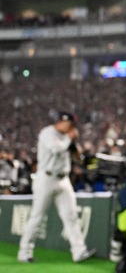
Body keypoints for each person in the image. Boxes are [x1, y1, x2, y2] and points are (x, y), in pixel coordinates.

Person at [17, 111, 96, 264]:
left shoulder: (68, 138)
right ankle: (24, 252)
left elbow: (78, 158)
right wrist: (69, 138)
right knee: (37, 217)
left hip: (63, 179)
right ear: (62, 121)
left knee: (71, 216)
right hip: (46, 178)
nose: (71, 127)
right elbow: (56, 149)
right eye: (70, 124)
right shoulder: (47, 133)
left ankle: (79, 251)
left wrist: (75, 145)